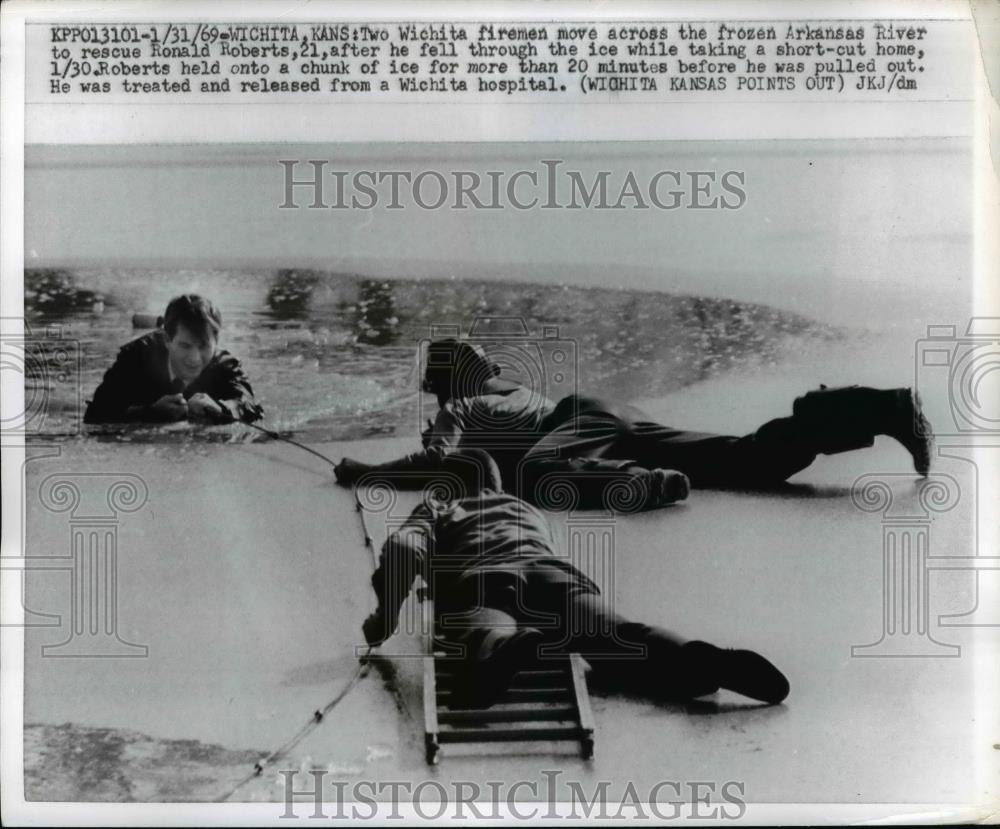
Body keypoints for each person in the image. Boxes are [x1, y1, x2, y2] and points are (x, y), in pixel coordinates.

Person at [360, 450, 790, 709]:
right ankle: (698, 657)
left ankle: (502, 644)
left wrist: (385, 618)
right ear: (497, 482)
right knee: (619, 635)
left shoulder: (441, 508)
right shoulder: (525, 508)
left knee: (485, 625)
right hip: (553, 574)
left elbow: (403, 549)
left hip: (482, 575)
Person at [335, 338, 933, 508]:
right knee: (744, 459)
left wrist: (365, 472)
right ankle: (875, 407)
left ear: (446, 384)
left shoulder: (459, 407)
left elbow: (439, 461)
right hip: (608, 417)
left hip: (582, 427)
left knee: (542, 474)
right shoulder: (508, 390)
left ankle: (645, 486)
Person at [84, 294, 263, 425]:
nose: (194, 358)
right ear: (167, 340)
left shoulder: (225, 366)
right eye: (185, 346)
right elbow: (94, 414)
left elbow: (250, 406)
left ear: (216, 342)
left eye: (203, 347)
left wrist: (221, 410)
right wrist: (148, 413)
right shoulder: (135, 359)